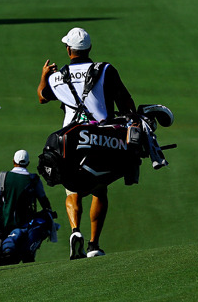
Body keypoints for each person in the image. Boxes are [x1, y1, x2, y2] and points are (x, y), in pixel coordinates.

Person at [37, 27, 136, 260]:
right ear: (89, 48)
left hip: (70, 140)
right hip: (102, 138)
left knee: (72, 189)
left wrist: (44, 74)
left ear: (68, 50)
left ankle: (75, 231)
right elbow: (126, 102)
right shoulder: (105, 69)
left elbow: (42, 96)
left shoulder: (58, 76)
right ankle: (94, 245)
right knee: (99, 189)